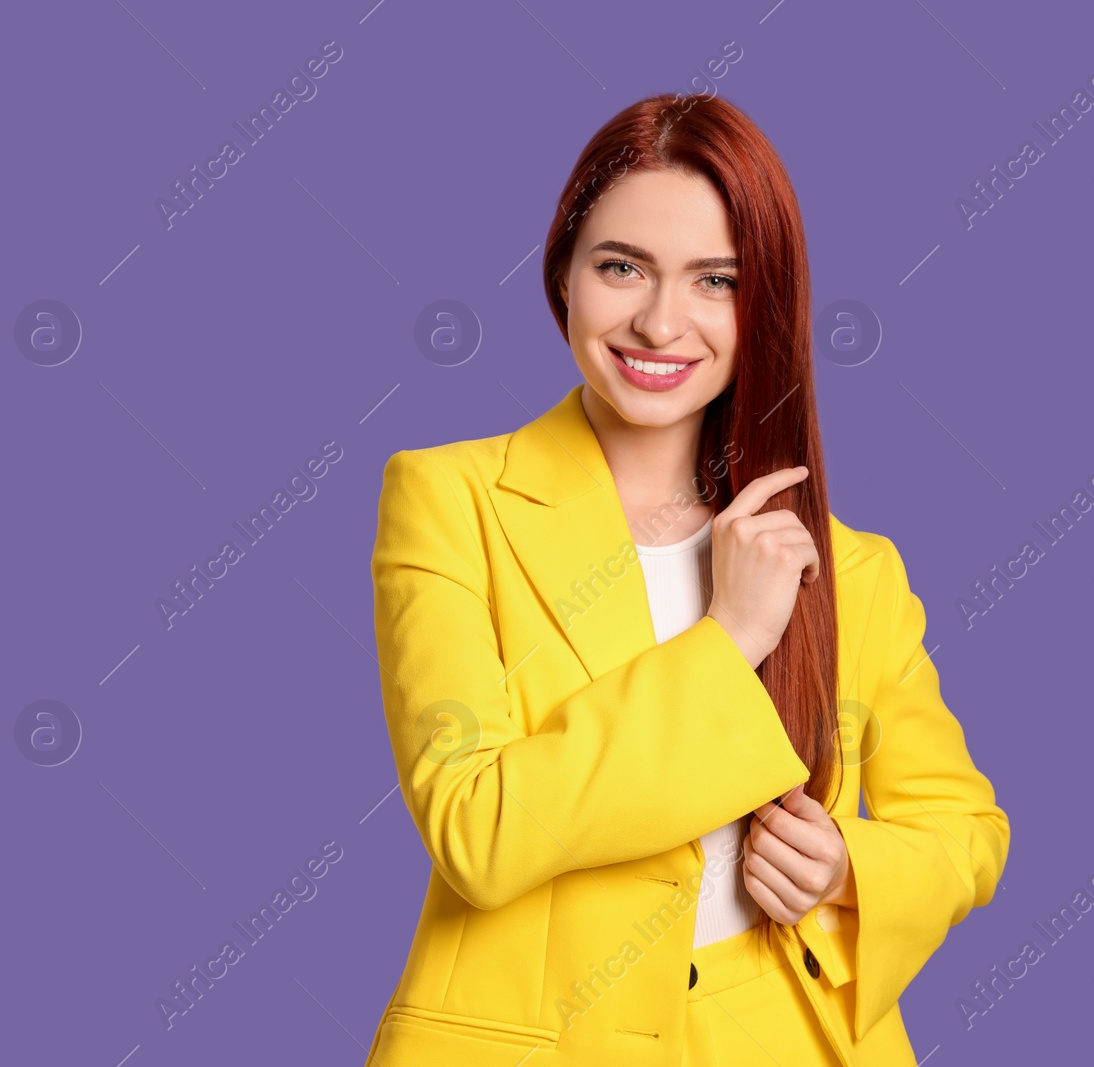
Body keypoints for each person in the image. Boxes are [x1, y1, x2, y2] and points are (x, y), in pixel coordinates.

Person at [365, 92, 1009, 1067]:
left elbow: (965, 828)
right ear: (564, 276)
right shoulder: (449, 500)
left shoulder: (851, 566)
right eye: (621, 266)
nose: (661, 321)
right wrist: (727, 640)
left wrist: (847, 868)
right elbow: (476, 824)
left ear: (765, 306)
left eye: (716, 280)